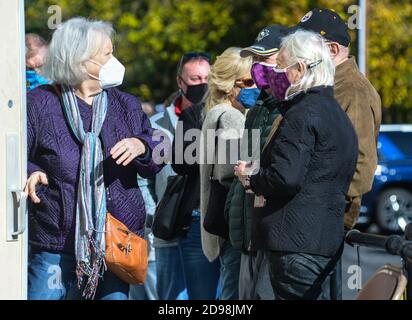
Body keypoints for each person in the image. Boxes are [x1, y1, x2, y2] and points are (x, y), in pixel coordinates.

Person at [26, 17, 167, 300]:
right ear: (80, 61)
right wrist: (31, 171)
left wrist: (141, 144)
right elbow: (14, 154)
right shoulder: (40, 102)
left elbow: (162, 148)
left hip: (115, 243)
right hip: (56, 243)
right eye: (107, 54)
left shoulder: (124, 103)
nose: (115, 61)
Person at [235, 29, 359, 300]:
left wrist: (251, 178)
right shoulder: (336, 114)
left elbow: (285, 178)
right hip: (322, 240)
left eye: (280, 66)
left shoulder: (302, 113)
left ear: (300, 68)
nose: (274, 74)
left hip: (294, 243)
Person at [297, 8, 382, 299]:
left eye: (305, 49)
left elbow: (361, 168)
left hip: (325, 227)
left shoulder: (353, 91)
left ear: (332, 49)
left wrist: (320, 208)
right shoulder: (328, 86)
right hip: (313, 225)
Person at [225, 25, 288, 300]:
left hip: (273, 235)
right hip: (247, 235)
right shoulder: (258, 110)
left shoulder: (290, 109)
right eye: (256, 60)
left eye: (267, 59)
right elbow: (244, 166)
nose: (259, 66)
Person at [154, 52, 221, 300]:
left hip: (200, 223)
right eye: (195, 79)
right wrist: (155, 213)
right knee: (171, 299)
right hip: (167, 225)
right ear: (180, 83)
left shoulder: (221, 117)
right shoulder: (158, 125)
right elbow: (147, 176)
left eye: (207, 77)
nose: (202, 84)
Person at [200, 47, 255, 300]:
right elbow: (227, 171)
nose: (256, 87)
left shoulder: (214, 113)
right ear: (230, 84)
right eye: (248, 81)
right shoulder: (231, 117)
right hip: (233, 220)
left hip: (219, 221)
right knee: (234, 292)